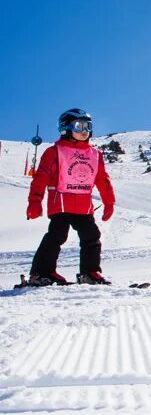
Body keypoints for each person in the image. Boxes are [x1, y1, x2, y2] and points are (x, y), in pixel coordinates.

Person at [25, 108, 116, 286]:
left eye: (87, 126)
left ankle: (90, 272)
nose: (84, 131)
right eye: (79, 126)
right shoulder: (54, 152)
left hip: (83, 206)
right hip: (61, 204)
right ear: (66, 128)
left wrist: (109, 202)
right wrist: (35, 202)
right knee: (57, 236)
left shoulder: (95, 154)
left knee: (92, 236)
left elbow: (102, 180)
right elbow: (40, 178)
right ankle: (41, 273)